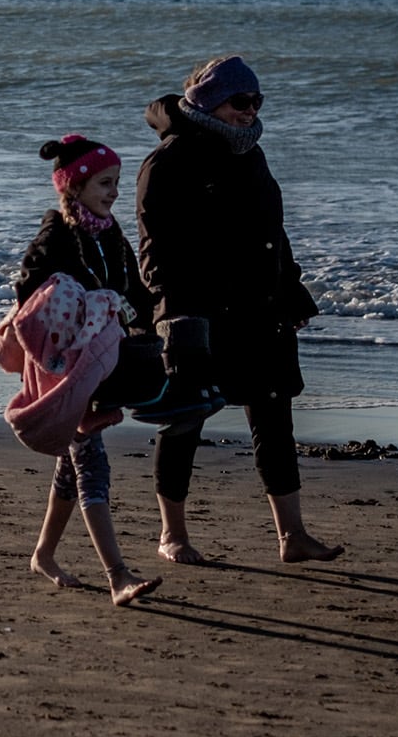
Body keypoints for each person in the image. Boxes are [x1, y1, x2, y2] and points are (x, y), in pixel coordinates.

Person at [135, 56, 344, 565]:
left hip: (261, 312)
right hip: (198, 318)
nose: (250, 111)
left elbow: (274, 234)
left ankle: (292, 536)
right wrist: (173, 317)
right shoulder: (169, 161)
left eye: (257, 101)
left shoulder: (252, 155)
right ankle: (173, 536)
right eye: (239, 102)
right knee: (185, 421)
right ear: (209, 102)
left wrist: (292, 293)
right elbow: (153, 252)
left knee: (275, 420)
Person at [11, 135, 162, 606]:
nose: (115, 191)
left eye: (117, 182)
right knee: (90, 464)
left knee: (70, 467)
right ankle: (118, 576)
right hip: (64, 368)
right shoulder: (56, 233)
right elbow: (28, 294)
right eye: (104, 182)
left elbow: (133, 289)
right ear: (74, 185)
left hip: (100, 363)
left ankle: (43, 553)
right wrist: (75, 309)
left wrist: (152, 322)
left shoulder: (110, 231)